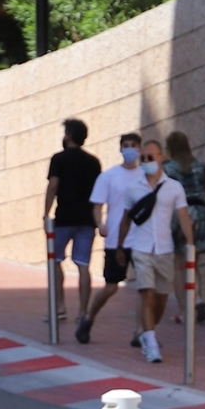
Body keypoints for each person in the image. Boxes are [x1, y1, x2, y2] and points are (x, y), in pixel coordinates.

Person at [114, 155, 188, 363]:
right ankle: (152, 344)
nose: (146, 161)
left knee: (161, 299)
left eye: (151, 157)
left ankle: (148, 333)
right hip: (141, 248)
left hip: (165, 250)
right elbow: (126, 219)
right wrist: (120, 247)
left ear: (161, 158)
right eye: (144, 158)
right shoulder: (132, 188)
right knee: (147, 293)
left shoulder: (174, 187)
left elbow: (184, 217)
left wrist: (190, 245)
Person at [76, 132, 143, 343]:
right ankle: (89, 317)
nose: (130, 149)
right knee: (111, 285)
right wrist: (100, 224)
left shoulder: (146, 176)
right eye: (126, 145)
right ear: (121, 148)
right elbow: (98, 205)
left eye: (134, 145)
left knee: (145, 286)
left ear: (140, 149)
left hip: (142, 239)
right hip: (116, 239)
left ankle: (141, 331)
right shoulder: (108, 176)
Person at [40, 119, 101, 320]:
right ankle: (84, 311)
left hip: (64, 217)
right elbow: (98, 192)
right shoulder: (93, 162)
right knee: (83, 264)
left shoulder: (58, 159)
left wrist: (46, 212)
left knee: (55, 260)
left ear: (68, 135)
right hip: (87, 218)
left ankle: (60, 306)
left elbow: (53, 186)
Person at [163, 129, 205, 325]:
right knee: (194, 261)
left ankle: (186, 311)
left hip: (179, 214)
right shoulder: (201, 166)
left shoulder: (167, 167)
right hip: (200, 212)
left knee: (178, 264)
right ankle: (199, 297)